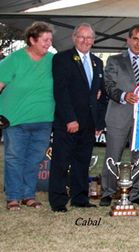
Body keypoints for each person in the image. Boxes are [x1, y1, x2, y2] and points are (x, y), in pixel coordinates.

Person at [100, 24, 139, 207]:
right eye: (135, 39)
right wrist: (124, 96)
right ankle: (107, 192)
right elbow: (108, 86)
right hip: (118, 115)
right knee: (113, 154)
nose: (138, 43)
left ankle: (135, 192)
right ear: (128, 39)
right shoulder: (114, 60)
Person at [48, 23, 107, 212]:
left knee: (82, 162)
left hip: (89, 123)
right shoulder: (62, 59)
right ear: (74, 38)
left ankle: (80, 198)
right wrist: (69, 119)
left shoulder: (98, 62)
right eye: (81, 37)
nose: (85, 41)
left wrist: (99, 122)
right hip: (68, 122)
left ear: (93, 40)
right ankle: (58, 201)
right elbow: (61, 91)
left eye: (89, 38)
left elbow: (101, 94)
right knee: (61, 162)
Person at [0, 22, 54, 210]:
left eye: (50, 40)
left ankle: (28, 195)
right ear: (32, 39)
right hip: (15, 120)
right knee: (14, 158)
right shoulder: (14, 59)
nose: (49, 43)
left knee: (35, 159)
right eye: (45, 40)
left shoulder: (52, 60)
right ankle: (13, 197)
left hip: (44, 120)